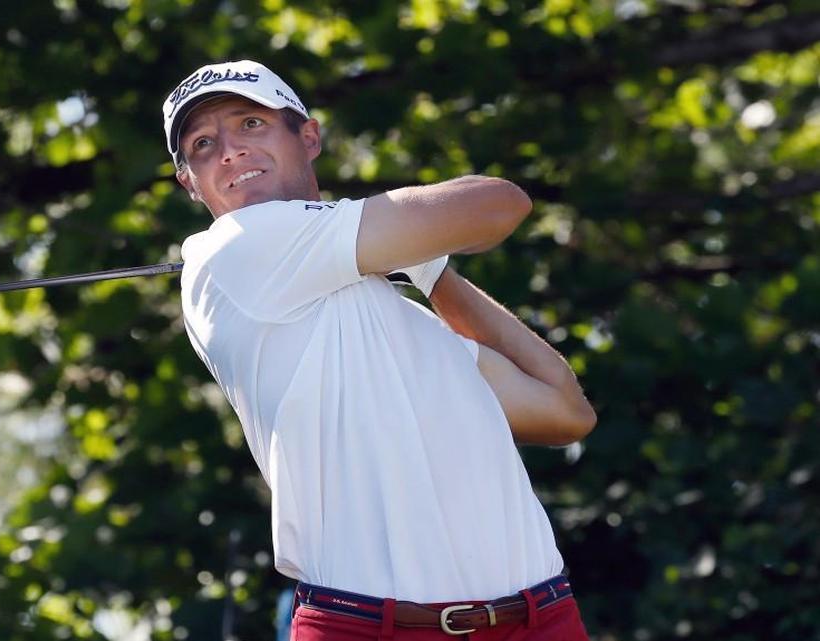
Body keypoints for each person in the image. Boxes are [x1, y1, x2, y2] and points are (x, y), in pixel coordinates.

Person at [163, 59, 597, 640]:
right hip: (373, 628)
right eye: (203, 144)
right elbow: (497, 203)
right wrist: (402, 240)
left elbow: (565, 410)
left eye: (250, 124)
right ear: (191, 183)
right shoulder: (236, 249)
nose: (230, 151)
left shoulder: (404, 323)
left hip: (539, 620)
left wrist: (429, 268)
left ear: (308, 136)